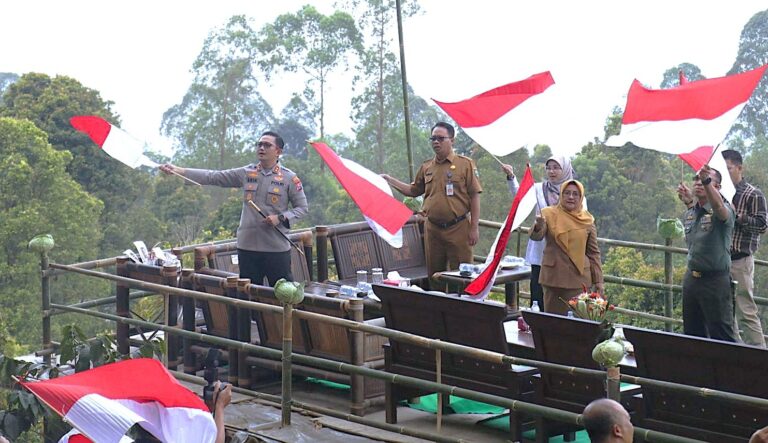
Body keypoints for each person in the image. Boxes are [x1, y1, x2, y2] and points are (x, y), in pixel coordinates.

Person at [160, 131, 308, 286]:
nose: (261, 148)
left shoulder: (289, 178)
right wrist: (179, 170)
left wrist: (280, 218)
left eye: (267, 145)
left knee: (281, 296)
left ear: (278, 151)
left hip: (276, 249)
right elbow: (214, 176)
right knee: (248, 297)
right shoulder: (247, 172)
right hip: (247, 248)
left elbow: (302, 208)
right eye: (259, 144)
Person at [382, 122, 482, 284]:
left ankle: (461, 308)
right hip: (433, 229)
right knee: (435, 276)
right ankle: (438, 308)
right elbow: (413, 190)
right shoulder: (427, 166)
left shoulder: (465, 165)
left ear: (452, 140)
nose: (436, 142)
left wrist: (474, 228)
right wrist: (390, 180)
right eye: (433, 138)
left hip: (459, 227)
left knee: (463, 277)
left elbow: (475, 195)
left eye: (441, 138)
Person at [502, 155, 579, 308]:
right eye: (549, 168)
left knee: (559, 295)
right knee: (537, 293)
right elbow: (520, 196)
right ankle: (535, 327)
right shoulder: (539, 189)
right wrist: (511, 177)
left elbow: (582, 218)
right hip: (540, 249)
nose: (552, 171)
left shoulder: (574, 191)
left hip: (563, 252)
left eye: (556, 167)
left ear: (565, 169)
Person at [676, 166, 737, 342]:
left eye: (704, 179)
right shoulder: (691, 212)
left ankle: (728, 369)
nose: (699, 182)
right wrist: (689, 202)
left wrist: (707, 182)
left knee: (721, 334)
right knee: (692, 332)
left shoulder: (724, 210)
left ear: (717, 187)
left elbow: (718, 207)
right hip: (692, 279)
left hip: (715, 281)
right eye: (696, 179)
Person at [529, 180, 603, 315]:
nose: (571, 197)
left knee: (577, 325)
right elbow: (536, 236)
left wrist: (598, 281)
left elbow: (593, 253)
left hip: (579, 281)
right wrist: (538, 225)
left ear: (581, 198)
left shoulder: (587, 220)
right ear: (561, 195)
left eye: (575, 194)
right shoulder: (548, 214)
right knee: (553, 323)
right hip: (553, 279)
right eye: (567, 193)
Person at [723, 149, 767, 347]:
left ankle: (759, 357)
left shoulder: (753, 194)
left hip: (741, 260)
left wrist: (738, 216)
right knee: (725, 312)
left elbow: (762, 225)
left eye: (729, 168)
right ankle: (736, 353)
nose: (726, 172)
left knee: (746, 311)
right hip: (721, 260)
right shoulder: (721, 193)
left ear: (739, 168)